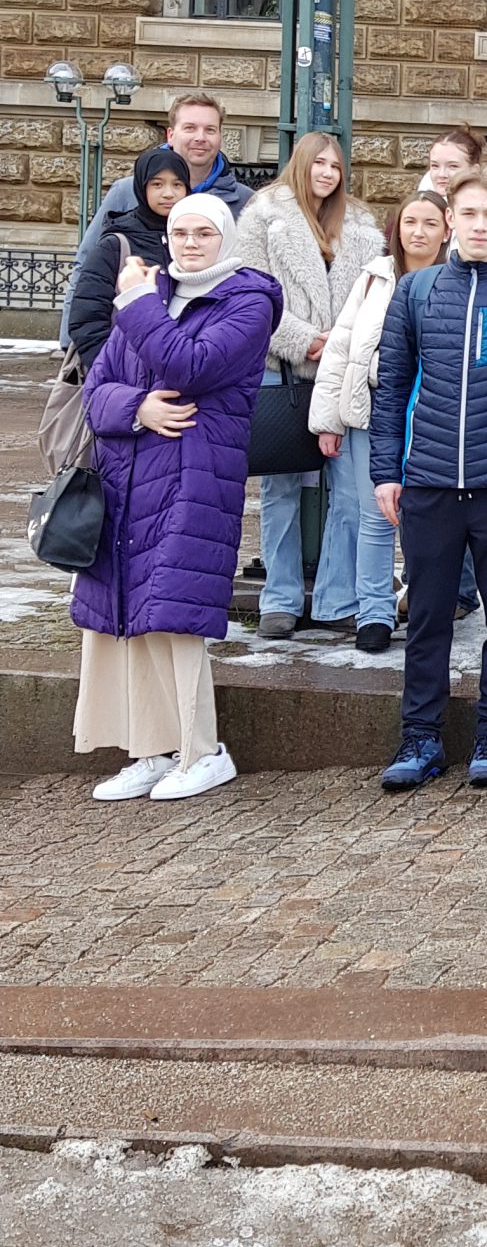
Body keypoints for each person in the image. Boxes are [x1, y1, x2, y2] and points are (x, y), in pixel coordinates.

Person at [73, 194, 281, 804]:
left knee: (176, 615)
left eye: (203, 233)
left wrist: (137, 302)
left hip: (193, 479)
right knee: (129, 616)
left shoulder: (247, 302)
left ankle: (202, 752)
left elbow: (190, 365)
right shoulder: (150, 297)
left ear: (226, 239)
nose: (190, 243)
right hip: (126, 479)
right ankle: (152, 749)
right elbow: (96, 391)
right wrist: (136, 407)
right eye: (179, 232)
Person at [371, 166, 487, 791]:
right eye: (468, 214)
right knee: (427, 618)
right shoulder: (417, 291)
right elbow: (392, 387)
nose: (479, 225)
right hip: (427, 483)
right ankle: (420, 737)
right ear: (450, 219)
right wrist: (386, 471)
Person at [233, 133, 386, 643]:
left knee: (349, 492)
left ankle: (336, 598)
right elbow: (250, 291)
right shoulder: (263, 215)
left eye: (335, 166)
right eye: (318, 163)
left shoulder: (360, 224)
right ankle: (279, 599)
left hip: (343, 374)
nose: (326, 173)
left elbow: (373, 298)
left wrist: (339, 344)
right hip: (282, 369)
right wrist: (302, 339)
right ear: (300, 164)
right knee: (281, 488)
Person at [309, 189, 448, 656]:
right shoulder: (374, 277)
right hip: (370, 410)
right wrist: (328, 419)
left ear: (446, 230)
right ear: (396, 228)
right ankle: (374, 612)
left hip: (433, 414)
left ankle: (424, 604)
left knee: (428, 518)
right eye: (410, 222)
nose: (418, 232)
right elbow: (341, 349)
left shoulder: (454, 278)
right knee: (375, 514)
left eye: (430, 223)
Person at [60, 92, 251, 344]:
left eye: (210, 130)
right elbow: (86, 265)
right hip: (126, 344)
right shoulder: (126, 191)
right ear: (171, 134)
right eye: (190, 128)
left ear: (220, 136)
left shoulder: (244, 201)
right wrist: (70, 342)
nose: (200, 137)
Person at [65, 146, 191, 372]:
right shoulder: (116, 243)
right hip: (124, 371)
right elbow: (87, 316)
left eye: (177, 184)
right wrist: (111, 371)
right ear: (142, 187)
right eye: (157, 184)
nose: (168, 193)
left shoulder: (195, 239)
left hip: (179, 369)